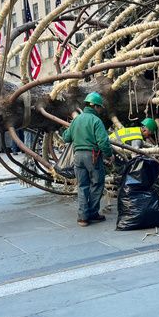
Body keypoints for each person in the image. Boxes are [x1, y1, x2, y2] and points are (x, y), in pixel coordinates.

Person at [62, 92, 114, 226]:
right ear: (95, 106)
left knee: (82, 185)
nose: (100, 110)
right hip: (92, 156)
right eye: (100, 107)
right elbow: (103, 142)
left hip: (78, 157)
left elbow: (66, 137)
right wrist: (109, 155)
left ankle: (82, 217)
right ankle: (92, 213)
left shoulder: (76, 120)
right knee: (97, 184)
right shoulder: (96, 121)